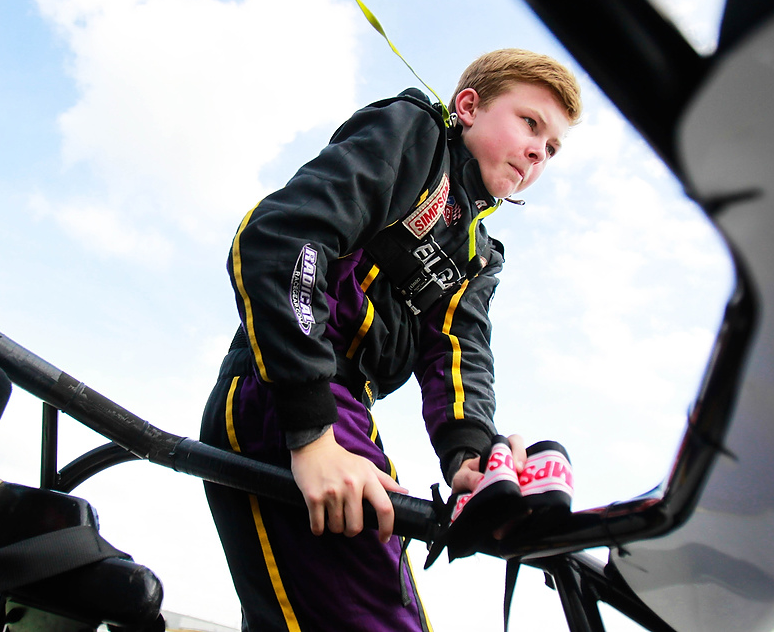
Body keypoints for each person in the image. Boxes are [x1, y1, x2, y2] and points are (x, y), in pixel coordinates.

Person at [200, 48, 582, 631]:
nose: (538, 152)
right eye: (530, 123)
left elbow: (460, 355)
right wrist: (312, 432)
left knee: (366, 607)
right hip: (283, 390)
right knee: (378, 616)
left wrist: (471, 458)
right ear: (469, 107)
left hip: (353, 419)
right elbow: (281, 238)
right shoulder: (416, 137)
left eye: (552, 148)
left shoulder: (478, 258)